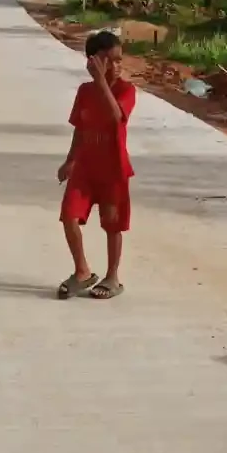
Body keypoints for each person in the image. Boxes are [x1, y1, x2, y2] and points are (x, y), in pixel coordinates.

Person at [56, 29, 136, 300]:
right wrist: (70, 160)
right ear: (92, 61)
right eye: (108, 60)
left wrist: (102, 81)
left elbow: (116, 118)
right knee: (69, 215)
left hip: (113, 169)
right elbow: (80, 127)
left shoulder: (126, 90)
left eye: (119, 60)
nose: (115, 66)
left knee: (112, 224)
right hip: (85, 168)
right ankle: (82, 271)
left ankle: (112, 277)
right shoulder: (85, 91)